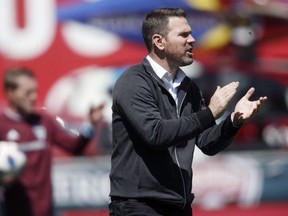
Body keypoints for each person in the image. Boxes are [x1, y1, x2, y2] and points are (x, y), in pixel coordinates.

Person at [109, 8, 267, 216]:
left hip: (179, 205)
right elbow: (155, 134)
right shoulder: (133, 81)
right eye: (183, 34)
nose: (192, 40)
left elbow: (206, 144)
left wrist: (233, 122)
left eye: (191, 33)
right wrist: (210, 113)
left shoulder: (188, 87)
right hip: (139, 205)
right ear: (159, 41)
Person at [0, 67, 103, 216]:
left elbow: (74, 147)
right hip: (13, 209)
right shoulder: (2, 125)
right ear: (10, 92)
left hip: (45, 209)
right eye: (27, 92)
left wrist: (90, 125)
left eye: (35, 91)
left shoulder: (43, 121)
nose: (34, 96)